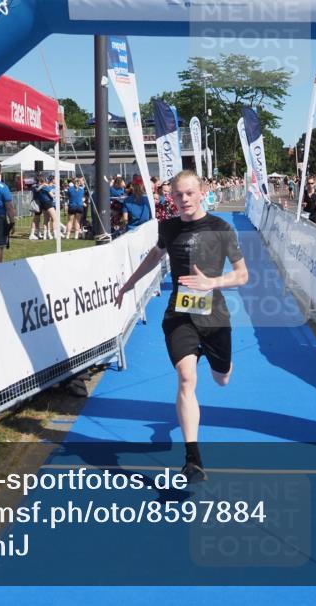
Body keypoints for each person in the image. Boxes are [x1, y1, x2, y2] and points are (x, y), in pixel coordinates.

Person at [116, 171, 248, 482]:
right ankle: (192, 459)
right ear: (171, 197)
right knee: (187, 378)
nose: (184, 199)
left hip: (214, 318)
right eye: (178, 195)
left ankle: (221, 363)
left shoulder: (221, 229)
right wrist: (129, 283)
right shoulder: (168, 227)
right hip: (179, 315)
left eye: (190, 193)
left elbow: (242, 275)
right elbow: (156, 254)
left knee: (222, 378)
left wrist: (212, 282)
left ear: (202, 192)